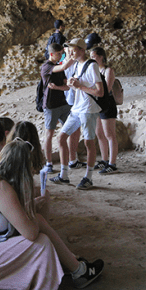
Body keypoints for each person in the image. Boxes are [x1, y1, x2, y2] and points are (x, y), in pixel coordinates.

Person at [0, 139, 104, 290]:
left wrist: (31, 208)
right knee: (41, 245)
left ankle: (78, 270)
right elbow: (31, 233)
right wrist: (33, 207)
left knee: (38, 222)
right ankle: (54, 287)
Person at [50, 38, 104, 190]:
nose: (70, 53)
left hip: (88, 109)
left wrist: (80, 86)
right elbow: (76, 87)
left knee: (88, 142)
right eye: (69, 50)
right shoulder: (76, 66)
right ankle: (64, 175)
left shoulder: (92, 65)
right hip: (76, 108)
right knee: (61, 137)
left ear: (82, 50)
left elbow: (100, 92)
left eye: (73, 50)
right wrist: (70, 85)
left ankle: (88, 177)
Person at [41, 43, 72, 173]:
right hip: (51, 106)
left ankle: (71, 159)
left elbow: (67, 86)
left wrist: (58, 88)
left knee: (69, 131)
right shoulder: (47, 67)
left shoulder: (59, 68)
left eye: (62, 54)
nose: (61, 56)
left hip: (63, 104)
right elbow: (64, 66)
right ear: (52, 54)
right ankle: (48, 163)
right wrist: (72, 56)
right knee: (49, 134)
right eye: (59, 54)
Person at [90, 47, 119, 174]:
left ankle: (112, 164)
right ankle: (104, 160)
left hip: (107, 104)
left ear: (101, 57)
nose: (92, 59)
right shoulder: (94, 70)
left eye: (94, 56)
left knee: (109, 134)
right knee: (100, 134)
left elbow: (105, 91)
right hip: (97, 104)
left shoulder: (108, 70)